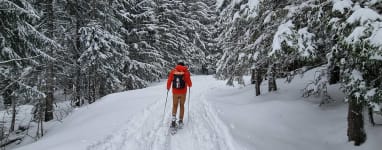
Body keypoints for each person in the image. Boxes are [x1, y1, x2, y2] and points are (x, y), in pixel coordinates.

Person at [166, 62, 192, 128]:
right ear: (183, 66)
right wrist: (189, 84)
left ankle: (173, 121)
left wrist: (168, 87)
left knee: (175, 105)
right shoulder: (186, 72)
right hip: (183, 92)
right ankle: (180, 120)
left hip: (175, 92)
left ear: (177, 65)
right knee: (182, 105)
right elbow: (190, 84)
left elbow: (169, 80)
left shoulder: (173, 71)